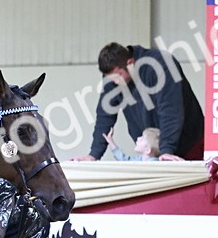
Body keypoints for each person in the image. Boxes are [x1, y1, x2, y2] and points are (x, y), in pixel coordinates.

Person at [72, 42, 204, 162]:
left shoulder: (161, 64)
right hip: (154, 153)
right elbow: (104, 115)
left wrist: (166, 150)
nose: (116, 82)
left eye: (119, 76)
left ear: (130, 63)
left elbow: (171, 110)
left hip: (190, 143)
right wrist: (94, 155)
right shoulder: (113, 78)